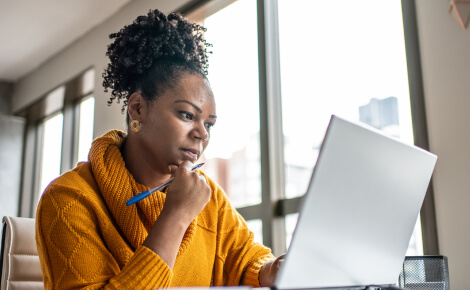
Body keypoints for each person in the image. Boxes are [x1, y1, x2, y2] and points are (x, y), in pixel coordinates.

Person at [35, 9, 283, 289]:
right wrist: (176, 216)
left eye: (209, 124)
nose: (202, 133)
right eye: (187, 115)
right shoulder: (68, 199)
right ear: (138, 108)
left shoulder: (209, 197)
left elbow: (248, 258)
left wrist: (271, 269)